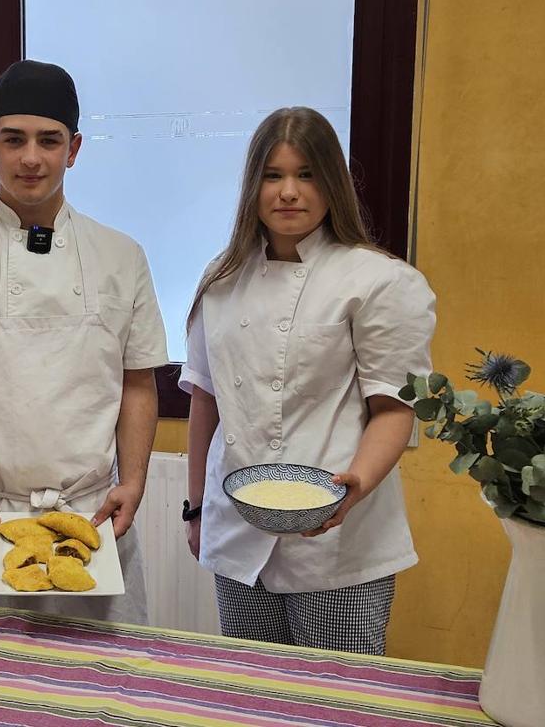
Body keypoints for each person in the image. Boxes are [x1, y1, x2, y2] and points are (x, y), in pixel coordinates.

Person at [0, 60, 168, 623]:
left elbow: (137, 383)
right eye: (13, 139)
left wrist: (134, 480)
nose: (31, 158)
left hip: (91, 517)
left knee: (98, 691)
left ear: (74, 149)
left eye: (49, 141)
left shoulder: (121, 257)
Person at [180, 106, 436, 654]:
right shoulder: (221, 280)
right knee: (253, 693)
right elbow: (206, 397)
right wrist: (196, 507)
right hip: (238, 531)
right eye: (273, 176)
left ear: (332, 183)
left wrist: (354, 489)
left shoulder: (378, 281)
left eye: (306, 174)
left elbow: (395, 408)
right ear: (253, 185)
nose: (288, 192)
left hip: (339, 540)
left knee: (337, 697)